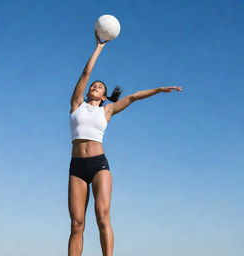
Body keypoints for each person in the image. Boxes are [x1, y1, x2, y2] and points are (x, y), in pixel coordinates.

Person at [68, 29, 182, 256]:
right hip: (77, 167)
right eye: (94, 85)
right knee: (76, 224)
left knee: (102, 217)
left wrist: (158, 89)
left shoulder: (107, 111)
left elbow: (132, 97)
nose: (94, 86)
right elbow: (86, 72)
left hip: (99, 165)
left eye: (99, 87)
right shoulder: (76, 104)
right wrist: (99, 47)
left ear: (103, 97)